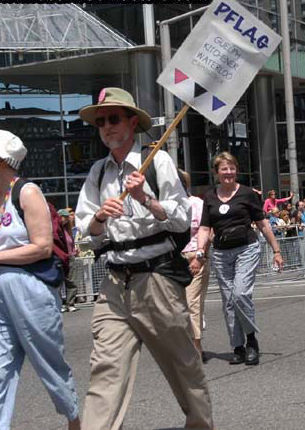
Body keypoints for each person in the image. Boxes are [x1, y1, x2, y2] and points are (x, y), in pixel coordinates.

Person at [75, 87, 213, 429]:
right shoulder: (98, 173)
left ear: (132, 122)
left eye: (114, 118)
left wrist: (146, 198)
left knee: (183, 365)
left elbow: (183, 218)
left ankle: (200, 424)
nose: (106, 126)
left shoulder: (158, 160)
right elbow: (84, 233)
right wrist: (99, 219)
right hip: (114, 283)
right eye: (101, 121)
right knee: (105, 369)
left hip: (157, 280)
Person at [0, 130, 80, 429]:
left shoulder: (27, 192)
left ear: (1, 161)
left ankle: (74, 419)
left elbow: (41, 246)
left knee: (49, 364)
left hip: (30, 289)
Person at [190, 152, 283, 366]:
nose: (229, 172)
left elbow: (263, 224)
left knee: (240, 294)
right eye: (224, 168)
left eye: (232, 168)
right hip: (221, 253)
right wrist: (200, 252)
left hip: (246, 248)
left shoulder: (248, 193)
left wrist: (276, 251)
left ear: (236, 170)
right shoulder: (210, 197)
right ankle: (237, 347)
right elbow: (205, 228)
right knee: (229, 301)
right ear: (216, 172)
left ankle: (251, 341)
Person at [179, 170, 211, 362]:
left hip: (193, 257)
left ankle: (196, 347)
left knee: (193, 304)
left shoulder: (197, 204)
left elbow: (206, 231)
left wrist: (199, 257)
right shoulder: (166, 205)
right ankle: (183, 346)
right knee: (175, 307)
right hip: (172, 260)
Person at [58, 209, 78, 312]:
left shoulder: (68, 230)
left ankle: (70, 303)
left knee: (71, 281)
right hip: (60, 257)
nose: (65, 219)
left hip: (70, 257)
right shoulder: (56, 229)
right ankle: (60, 304)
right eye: (63, 217)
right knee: (59, 282)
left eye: (66, 217)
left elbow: (71, 243)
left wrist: (74, 252)